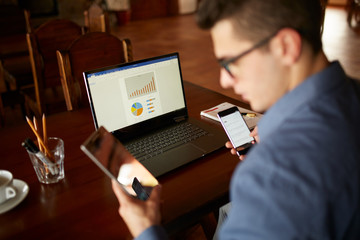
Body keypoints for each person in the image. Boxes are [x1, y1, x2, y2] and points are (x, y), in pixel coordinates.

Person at [111, 0, 360, 239]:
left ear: (285, 46)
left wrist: (146, 229)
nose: (224, 80)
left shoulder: (272, 176)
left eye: (230, 62)